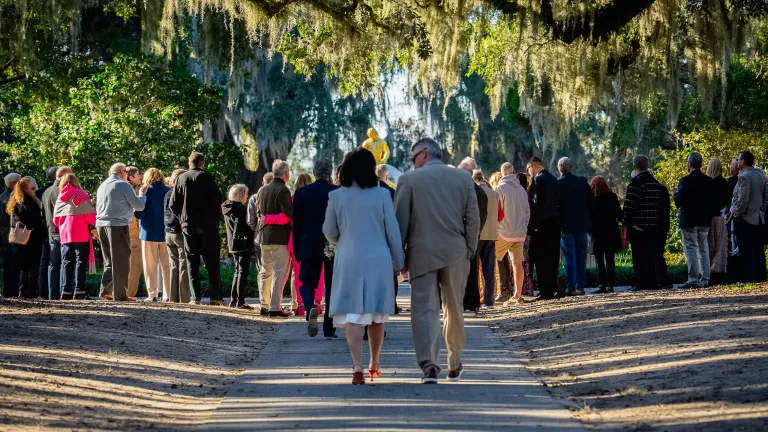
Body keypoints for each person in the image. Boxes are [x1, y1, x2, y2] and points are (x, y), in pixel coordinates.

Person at [395, 138, 480, 384]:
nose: (413, 163)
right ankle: (454, 362)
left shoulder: (409, 180)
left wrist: (399, 258)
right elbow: (472, 219)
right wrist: (469, 250)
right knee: (454, 309)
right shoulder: (463, 178)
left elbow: (400, 223)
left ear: (423, 154)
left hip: (421, 254)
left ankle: (429, 366)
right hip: (456, 253)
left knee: (424, 311)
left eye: (413, 158)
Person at [323, 148, 405, 385]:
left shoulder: (337, 197)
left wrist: (343, 241)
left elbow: (329, 231)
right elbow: (393, 230)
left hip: (348, 257)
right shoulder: (381, 195)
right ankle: (375, 362)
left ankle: (357, 364)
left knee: (353, 313)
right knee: (377, 314)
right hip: (377, 258)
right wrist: (399, 261)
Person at [291, 159, 339, 336]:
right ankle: (329, 327)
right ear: (330, 173)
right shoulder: (337, 192)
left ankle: (310, 306)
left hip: (309, 243)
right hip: (332, 244)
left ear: (314, 172)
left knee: (307, 282)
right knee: (332, 285)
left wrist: (297, 248)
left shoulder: (302, 193)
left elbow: (297, 225)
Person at [170, 152, 224, 305]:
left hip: (188, 225)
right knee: (212, 261)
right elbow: (217, 200)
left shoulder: (180, 178)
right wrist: (217, 218)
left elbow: (172, 204)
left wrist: (182, 219)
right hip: (207, 226)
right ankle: (215, 297)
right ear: (202, 163)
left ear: (189, 163)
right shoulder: (207, 178)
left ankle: (195, 298)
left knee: (191, 261)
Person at [96, 163, 147, 301]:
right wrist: (142, 194)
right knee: (122, 259)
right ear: (122, 172)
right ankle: (121, 294)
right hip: (117, 225)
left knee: (109, 260)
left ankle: (105, 291)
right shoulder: (122, 185)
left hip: (101, 224)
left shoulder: (103, 185)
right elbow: (139, 206)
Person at [623, 155, 670, 291]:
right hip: (653, 227)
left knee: (638, 258)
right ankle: (651, 283)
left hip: (638, 227)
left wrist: (627, 222)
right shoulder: (655, 184)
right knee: (650, 258)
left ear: (634, 167)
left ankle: (641, 283)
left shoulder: (635, 183)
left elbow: (629, 207)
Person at [255, 159, 293, 317]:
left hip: (264, 237)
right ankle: (275, 307)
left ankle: (264, 304)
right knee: (279, 272)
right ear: (286, 174)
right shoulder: (283, 190)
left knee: (265, 271)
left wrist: (267, 219)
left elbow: (259, 215)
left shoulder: (261, 190)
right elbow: (289, 215)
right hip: (280, 237)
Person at [675, 152, 716, 289]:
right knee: (704, 248)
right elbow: (713, 202)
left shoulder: (685, 181)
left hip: (689, 220)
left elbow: (678, 201)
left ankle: (693, 279)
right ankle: (705, 278)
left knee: (691, 248)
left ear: (690, 164)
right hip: (704, 220)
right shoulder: (709, 181)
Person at [53, 174, 96, 300]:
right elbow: (90, 217)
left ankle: (66, 291)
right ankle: (79, 291)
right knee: (80, 262)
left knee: (67, 262)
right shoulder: (81, 195)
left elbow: (56, 220)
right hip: (81, 233)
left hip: (65, 235)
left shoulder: (60, 197)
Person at [556, 157, 593, 296]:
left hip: (565, 226)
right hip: (582, 225)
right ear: (571, 167)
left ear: (560, 169)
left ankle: (570, 287)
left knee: (569, 257)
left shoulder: (557, 184)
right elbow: (591, 202)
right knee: (581, 257)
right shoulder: (582, 181)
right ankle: (580, 287)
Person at [495, 162, 530, 305]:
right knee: (517, 263)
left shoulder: (499, 188)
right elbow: (527, 212)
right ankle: (517, 295)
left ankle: (490, 293)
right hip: (520, 232)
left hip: (504, 232)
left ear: (501, 173)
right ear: (513, 172)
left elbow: (497, 212)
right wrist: (523, 227)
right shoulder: (522, 189)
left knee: (490, 259)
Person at [730, 150, 768, 283]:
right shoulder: (761, 176)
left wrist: (738, 214)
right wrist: (760, 212)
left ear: (743, 161)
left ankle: (749, 277)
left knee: (747, 248)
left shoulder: (744, 177)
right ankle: (760, 275)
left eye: (739, 159)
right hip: (758, 217)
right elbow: (765, 199)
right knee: (758, 249)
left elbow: (743, 200)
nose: (737, 161)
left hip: (746, 218)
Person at [526, 157, 561, 300]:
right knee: (553, 257)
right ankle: (552, 287)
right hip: (555, 223)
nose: (529, 173)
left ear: (533, 166)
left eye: (528, 169)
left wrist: (534, 225)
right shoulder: (553, 179)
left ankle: (545, 290)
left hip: (543, 225)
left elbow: (537, 205)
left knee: (542, 259)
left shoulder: (538, 180)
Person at [135, 168, 171, 301]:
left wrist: (140, 196)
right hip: (165, 232)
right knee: (167, 266)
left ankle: (152, 294)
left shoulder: (145, 191)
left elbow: (138, 213)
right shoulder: (168, 191)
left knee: (150, 266)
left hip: (148, 233)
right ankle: (168, 294)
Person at [6, 178, 46, 298]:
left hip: (20, 239)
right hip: (32, 238)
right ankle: (31, 292)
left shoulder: (15, 202)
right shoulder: (30, 203)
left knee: (23, 266)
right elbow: (33, 221)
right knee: (32, 266)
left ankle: (22, 291)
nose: (34, 190)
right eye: (32, 188)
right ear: (26, 189)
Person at [458, 157, 487, 313]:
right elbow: (485, 214)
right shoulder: (479, 190)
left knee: (463, 271)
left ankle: (465, 301)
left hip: (462, 235)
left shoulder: (463, 190)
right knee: (473, 269)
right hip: (475, 234)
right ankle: (473, 301)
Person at [222, 184, 255, 310]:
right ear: (241, 195)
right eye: (245, 194)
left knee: (237, 271)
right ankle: (240, 300)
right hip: (243, 242)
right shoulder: (240, 209)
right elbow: (246, 226)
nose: (247, 197)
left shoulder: (226, 207)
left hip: (233, 243)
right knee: (242, 272)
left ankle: (234, 299)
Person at [471, 170, 501, 309]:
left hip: (478, 235)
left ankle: (475, 299)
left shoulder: (474, 193)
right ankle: (489, 301)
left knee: (474, 270)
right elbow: (501, 215)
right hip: (492, 235)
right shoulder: (494, 194)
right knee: (489, 270)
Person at [42, 167, 72, 300]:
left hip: (51, 230)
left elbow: (42, 213)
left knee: (53, 264)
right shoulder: (62, 191)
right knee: (65, 262)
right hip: (62, 230)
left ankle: (52, 294)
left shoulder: (46, 192)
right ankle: (64, 292)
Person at [589, 176, 623, 293]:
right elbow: (619, 213)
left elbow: (589, 217)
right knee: (610, 260)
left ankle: (602, 284)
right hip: (611, 231)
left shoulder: (592, 199)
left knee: (599, 261)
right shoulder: (612, 197)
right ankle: (611, 284)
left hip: (597, 233)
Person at [164, 169, 190, 303]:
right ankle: (184, 298)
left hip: (168, 232)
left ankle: (173, 297)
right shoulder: (181, 194)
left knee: (173, 266)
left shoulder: (167, 193)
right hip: (179, 233)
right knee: (184, 265)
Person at [706, 159, 730, 285]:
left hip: (710, 218)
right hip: (721, 218)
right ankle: (720, 273)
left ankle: (710, 272)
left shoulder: (709, 183)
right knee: (720, 247)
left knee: (710, 246)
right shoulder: (725, 183)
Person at [36, 166, 58, 299]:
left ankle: (43, 291)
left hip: (43, 230)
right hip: (56, 230)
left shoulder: (39, 192)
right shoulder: (58, 191)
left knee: (45, 262)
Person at [125, 166, 145, 299]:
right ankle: (129, 295)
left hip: (125, 232)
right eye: (138, 175)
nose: (140, 178)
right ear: (131, 177)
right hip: (134, 234)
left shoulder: (119, 189)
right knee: (135, 266)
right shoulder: (131, 191)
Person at [1, 173, 21, 296]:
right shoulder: (14, 198)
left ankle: (7, 291)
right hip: (14, 234)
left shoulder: (1, 196)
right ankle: (13, 291)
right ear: (14, 183)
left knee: (7, 265)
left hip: (4, 235)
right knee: (15, 264)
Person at [517, 172, 535, 297]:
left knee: (518, 260)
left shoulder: (518, 195)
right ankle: (528, 287)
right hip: (527, 231)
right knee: (526, 260)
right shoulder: (528, 195)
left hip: (517, 231)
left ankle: (519, 288)